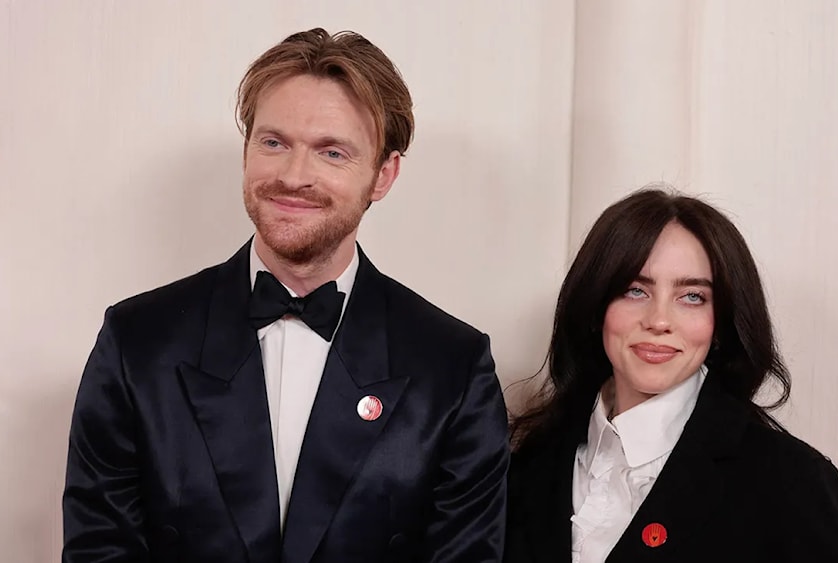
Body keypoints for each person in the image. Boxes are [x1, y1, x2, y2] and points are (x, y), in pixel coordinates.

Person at [63, 28, 509, 563]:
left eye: (332, 152)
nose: (294, 176)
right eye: (273, 143)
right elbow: (98, 549)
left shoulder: (454, 366)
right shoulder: (136, 341)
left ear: (383, 174)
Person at [504, 188, 838, 562]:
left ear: (719, 323)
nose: (659, 321)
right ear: (595, 308)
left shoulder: (791, 482)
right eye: (635, 290)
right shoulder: (529, 466)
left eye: (692, 297)